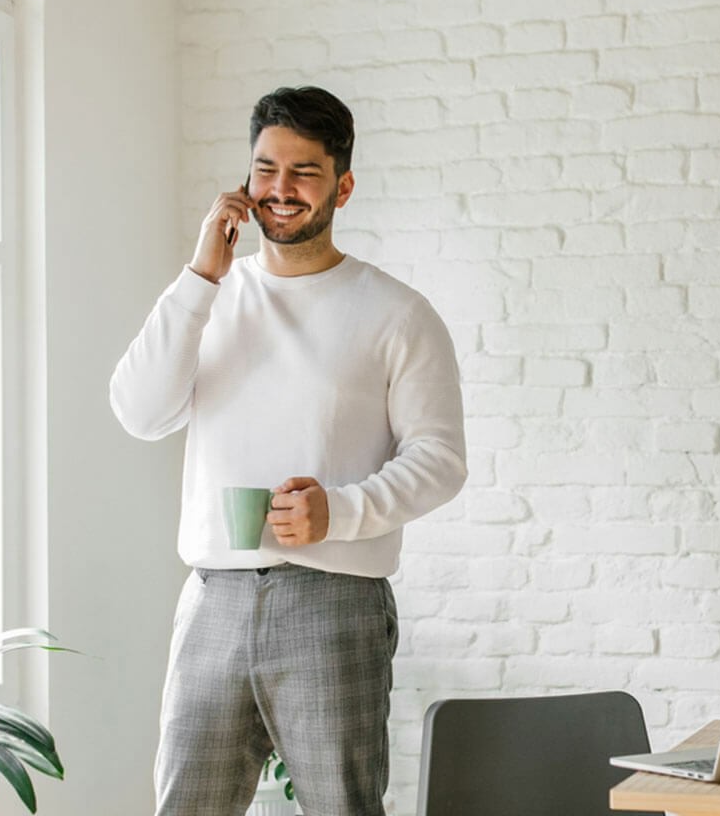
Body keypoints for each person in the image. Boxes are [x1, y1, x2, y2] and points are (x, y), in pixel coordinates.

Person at [110, 86, 467, 816]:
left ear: (343, 184)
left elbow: (440, 457)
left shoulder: (396, 312)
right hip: (213, 596)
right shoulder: (210, 295)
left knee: (342, 808)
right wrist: (200, 274)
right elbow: (140, 412)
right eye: (265, 168)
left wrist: (338, 511)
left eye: (303, 172)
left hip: (334, 599)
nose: (279, 190)